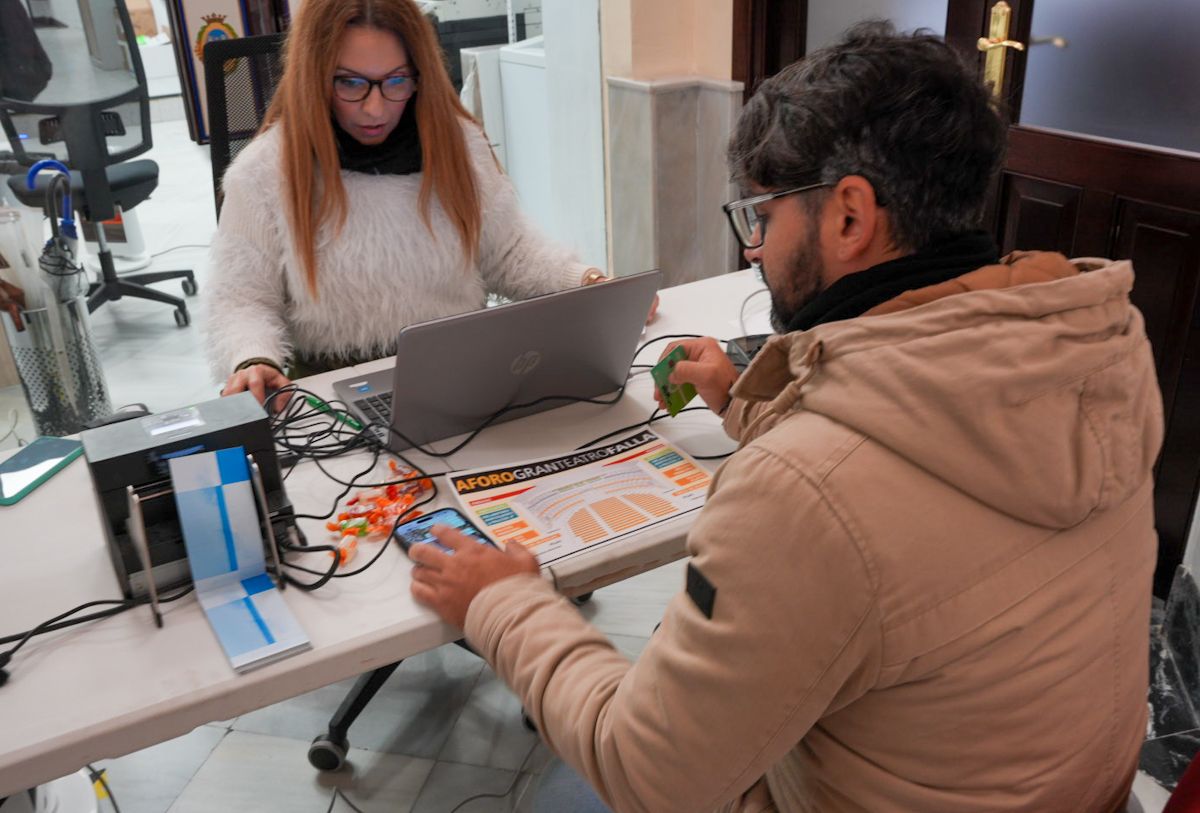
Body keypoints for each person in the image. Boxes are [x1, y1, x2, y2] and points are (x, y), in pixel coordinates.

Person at [404, 22, 1163, 813]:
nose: (753, 251)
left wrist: (502, 600)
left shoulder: (804, 495)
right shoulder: (1099, 345)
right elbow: (913, 505)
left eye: (762, 217)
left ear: (849, 217)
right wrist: (750, 403)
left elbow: (647, 772)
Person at [204, 0, 621, 402]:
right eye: (349, 82)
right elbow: (241, 299)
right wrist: (252, 359)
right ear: (313, 77)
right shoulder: (263, 172)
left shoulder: (457, 144)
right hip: (334, 389)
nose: (375, 108)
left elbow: (507, 253)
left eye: (396, 81)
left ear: (420, 75)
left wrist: (584, 282)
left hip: (464, 373)